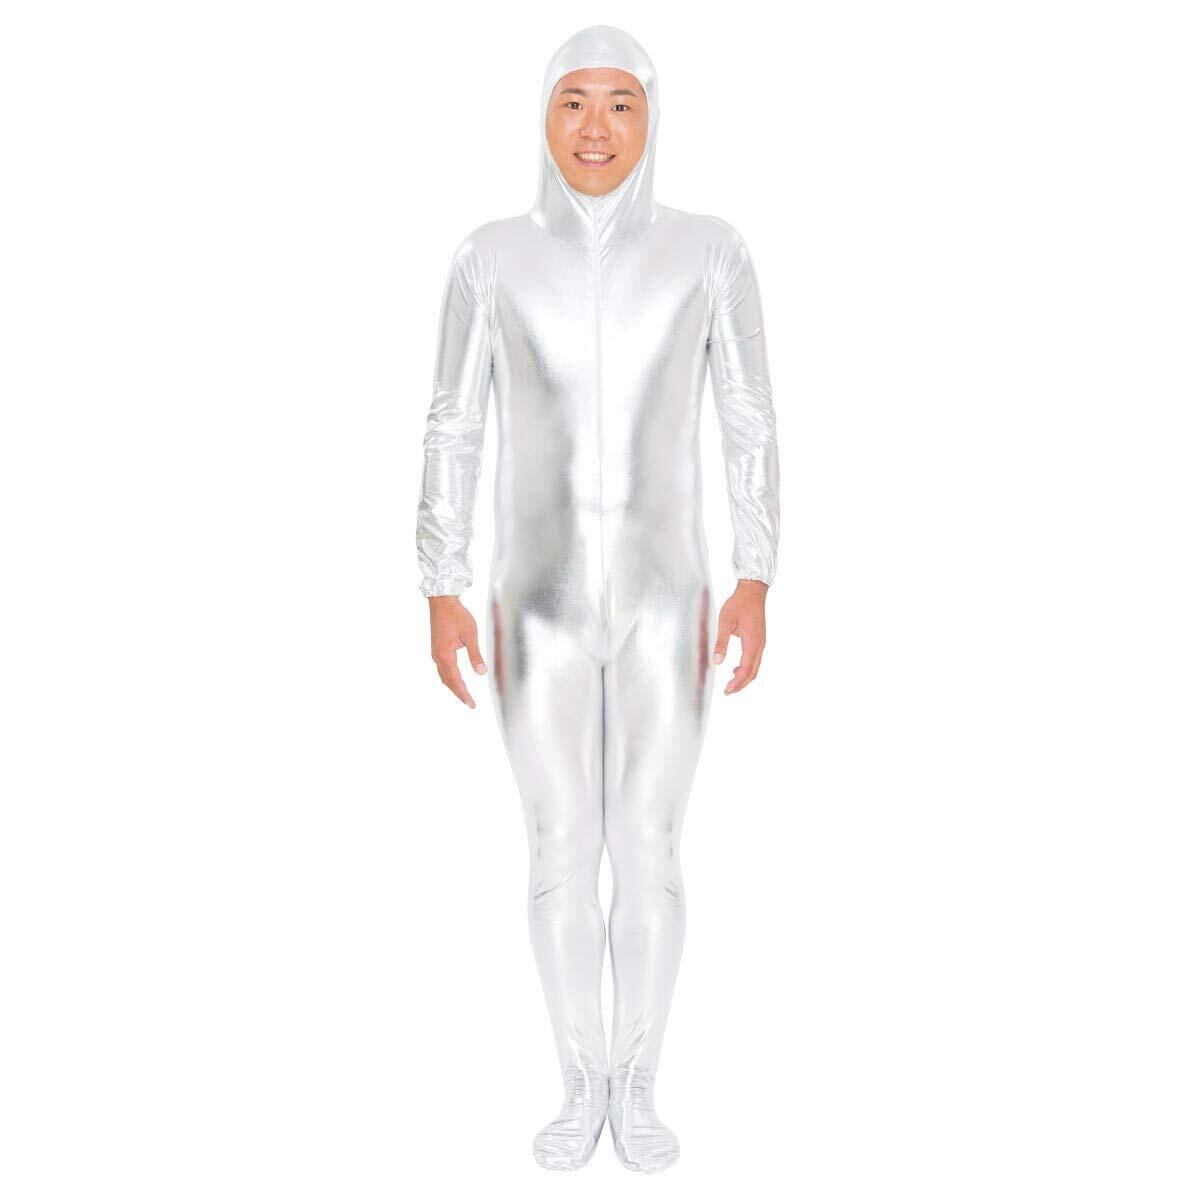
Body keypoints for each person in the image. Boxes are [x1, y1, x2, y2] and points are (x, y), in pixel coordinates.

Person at [415, 25, 780, 1173]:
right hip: (535, 605)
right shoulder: (488, 259)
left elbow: (748, 417)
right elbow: (454, 424)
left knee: (653, 842)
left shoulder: (711, 253)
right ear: (542, 114)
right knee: (558, 844)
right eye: (574, 101)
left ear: (652, 118)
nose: (595, 128)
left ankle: (642, 1080)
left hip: (671, 602)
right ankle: (581, 1081)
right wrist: (441, 582)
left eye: (621, 103)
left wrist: (757, 573)